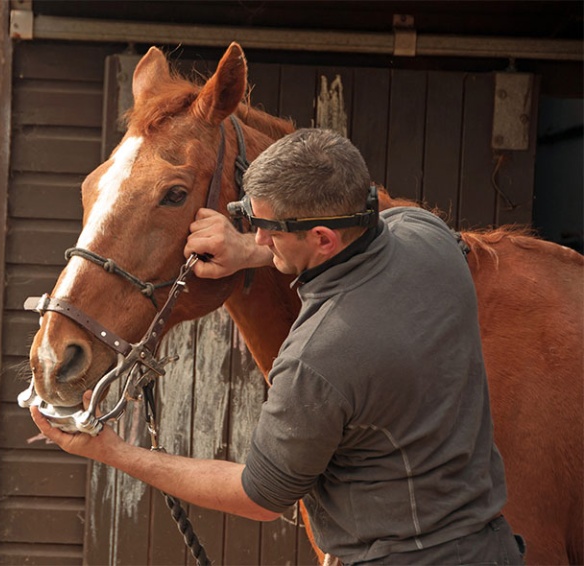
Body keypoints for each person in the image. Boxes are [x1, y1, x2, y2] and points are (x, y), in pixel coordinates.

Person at [31, 128, 525, 565]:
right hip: (492, 548)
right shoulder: (430, 239)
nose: (258, 237)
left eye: (267, 228)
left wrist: (115, 452)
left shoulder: (319, 357)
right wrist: (244, 251)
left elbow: (258, 496)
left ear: (323, 240)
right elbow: (392, 224)